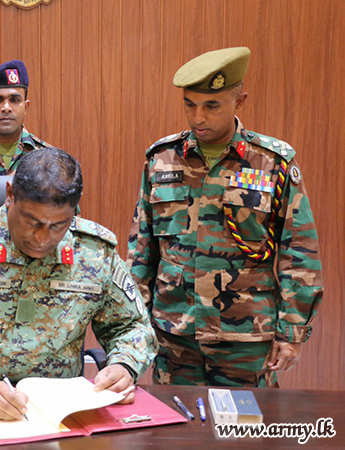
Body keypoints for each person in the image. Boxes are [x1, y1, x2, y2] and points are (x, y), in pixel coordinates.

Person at [0, 147, 157, 420]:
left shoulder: (94, 252)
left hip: (60, 414)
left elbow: (132, 327)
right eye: (32, 222)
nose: (42, 238)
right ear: (10, 195)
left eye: (58, 225)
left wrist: (123, 365)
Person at [127, 47, 324, 387]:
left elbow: (299, 251)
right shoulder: (162, 160)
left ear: (239, 101)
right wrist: (134, 323)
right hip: (175, 334)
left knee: (245, 420)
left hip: (245, 336)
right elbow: (141, 250)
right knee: (177, 421)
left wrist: (292, 332)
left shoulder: (272, 162)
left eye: (211, 106)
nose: (198, 117)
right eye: (190, 105)